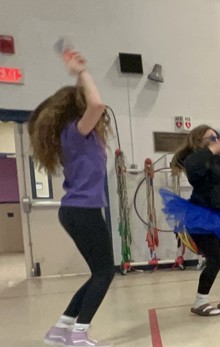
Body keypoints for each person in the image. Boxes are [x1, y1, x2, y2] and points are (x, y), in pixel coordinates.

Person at [33, 49, 117, 346]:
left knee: (100, 272)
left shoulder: (83, 134)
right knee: (105, 272)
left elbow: (95, 106)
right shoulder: (75, 131)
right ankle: (79, 334)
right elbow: (97, 103)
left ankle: (61, 329)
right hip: (82, 211)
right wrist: (82, 71)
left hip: (81, 210)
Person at [162, 124, 220, 318]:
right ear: (199, 141)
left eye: (217, 137)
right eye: (211, 138)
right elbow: (194, 167)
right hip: (202, 215)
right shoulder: (194, 160)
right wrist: (214, 147)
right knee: (215, 258)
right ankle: (200, 302)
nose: (217, 140)